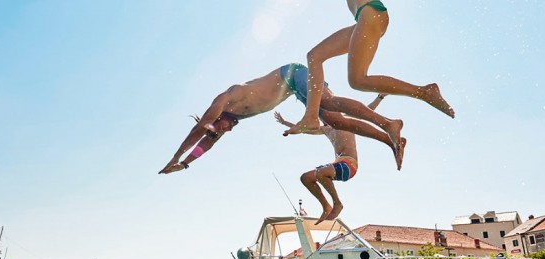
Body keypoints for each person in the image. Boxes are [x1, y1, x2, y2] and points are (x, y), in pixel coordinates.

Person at [159, 63, 405, 174]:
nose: (227, 130)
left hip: (293, 74)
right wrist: (187, 164)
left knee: (330, 105)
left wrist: (175, 157)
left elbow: (201, 131)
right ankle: (390, 139)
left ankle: (389, 124)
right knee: (335, 120)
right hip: (295, 89)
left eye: (221, 128)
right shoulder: (234, 116)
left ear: (216, 120)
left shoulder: (226, 99)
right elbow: (208, 143)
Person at [284, 0, 453, 136]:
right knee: (315, 56)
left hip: (370, 13)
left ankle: (424, 92)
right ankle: (311, 116)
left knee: (357, 80)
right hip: (366, 17)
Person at [274, 93, 398, 224]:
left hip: (350, 164)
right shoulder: (324, 129)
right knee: (306, 178)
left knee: (321, 173)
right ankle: (326, 206)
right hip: (337, 164)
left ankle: (337, 204)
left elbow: (368, 110)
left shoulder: (346, 120)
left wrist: (380, 97)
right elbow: (304, 129)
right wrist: (285, 123)